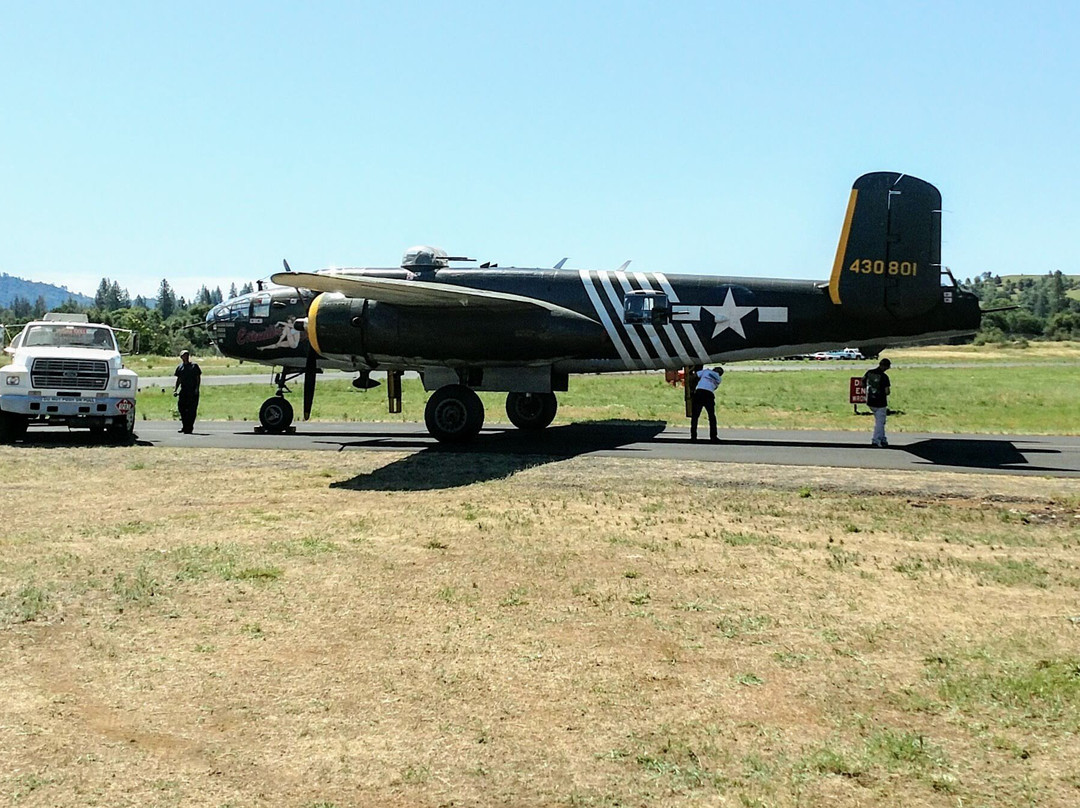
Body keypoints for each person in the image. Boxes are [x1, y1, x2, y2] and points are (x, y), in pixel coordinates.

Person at [863, 357, 892, 447]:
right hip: (880, 401)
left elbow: (862, 382)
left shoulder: (869, 373)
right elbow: (887, 391)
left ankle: (883, 438)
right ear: (885, 367)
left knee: (881, 421)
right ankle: (876, 439)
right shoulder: (884, 377)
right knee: (880, 422)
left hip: (870, 400)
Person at [690, 366, 723, 443]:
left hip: (699, 392)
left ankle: (693, 436)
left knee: (695, 416)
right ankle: (713, 436)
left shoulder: (706, 371)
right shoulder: (719, 379)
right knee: (712, 416)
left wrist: (692, 388)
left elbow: (694, 376)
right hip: (709, 394)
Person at [173, 350, 202, 434]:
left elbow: (198, 378)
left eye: (187, 355)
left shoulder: (194, 366)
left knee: (191, 410)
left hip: (193, 391)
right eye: (184, 355)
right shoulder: (180, 367)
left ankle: (189, 428)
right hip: (183, 391)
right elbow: (179, 379)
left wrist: (197, 388)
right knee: (181, 408)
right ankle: (184, 426)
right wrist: (175, 389)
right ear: (181, 357)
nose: (186, 357)